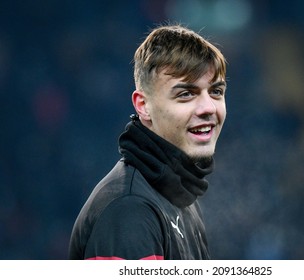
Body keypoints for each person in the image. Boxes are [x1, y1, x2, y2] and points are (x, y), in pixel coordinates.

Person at [68, 23, 227, 260]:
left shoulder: (180, 195)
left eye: (216, 92)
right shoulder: (129, 210)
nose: (208, 108)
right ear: (144, 106)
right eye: (186, 94)